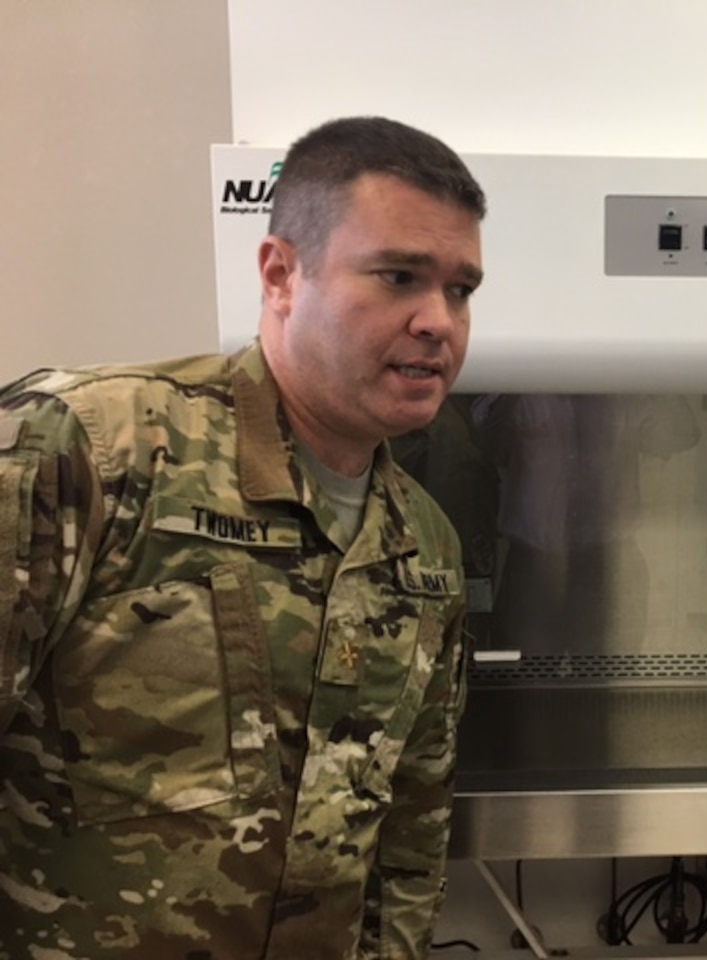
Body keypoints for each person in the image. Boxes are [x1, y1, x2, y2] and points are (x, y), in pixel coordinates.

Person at [0, 116, 485, 959]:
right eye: (399, 276)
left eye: (460, 289)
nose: (438, 320)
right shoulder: (94, 450)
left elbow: (409, 838)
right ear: (281, 274)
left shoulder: (424, 548)